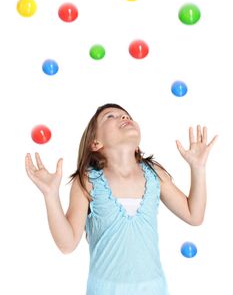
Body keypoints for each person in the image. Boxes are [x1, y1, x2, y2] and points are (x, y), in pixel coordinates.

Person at [25, 103, 218, 295]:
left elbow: (194, 215)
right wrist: (51, 195)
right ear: (95, 143)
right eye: (111, 116)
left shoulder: (154, 174)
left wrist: (198, 168)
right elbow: (67, 244)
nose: (123, 117)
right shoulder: (87, 180)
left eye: (126, 115)